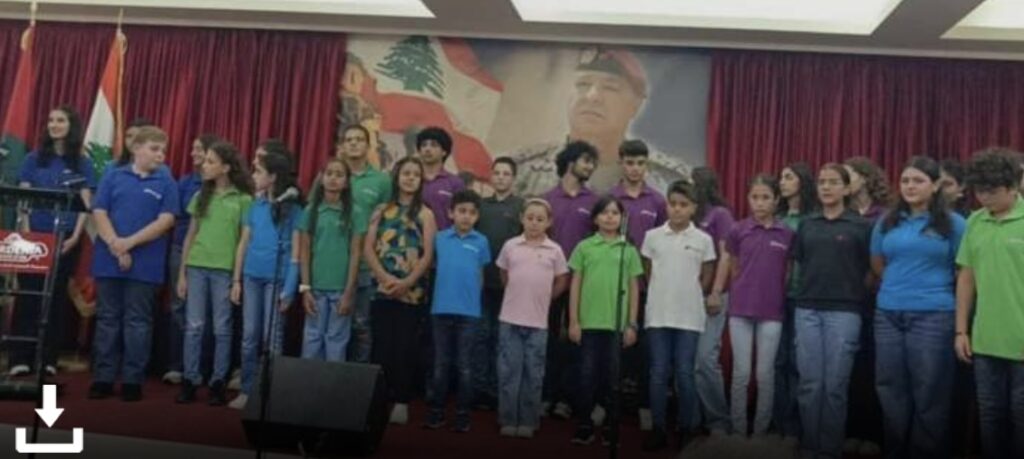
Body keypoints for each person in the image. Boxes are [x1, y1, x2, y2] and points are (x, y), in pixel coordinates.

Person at [870, 156, 965, 459]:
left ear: (935, 185)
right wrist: (899, 286)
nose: (910, 186)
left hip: (934, 315)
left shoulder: (954, 223)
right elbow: (877, 263)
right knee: (890, 388)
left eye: (918, 181)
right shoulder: (887, 221)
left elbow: (963, 270)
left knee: (930, 391)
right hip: (888, 312)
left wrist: (927, 288)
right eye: (905, 180)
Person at [512, 46, 690, 196]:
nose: (592, 96)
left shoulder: (668, 179)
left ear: (636, 105)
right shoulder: (524, 170)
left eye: (610, 87)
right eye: (582, 84)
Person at [88, 126, 178, 401]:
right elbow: (99, 211)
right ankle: (103, 378)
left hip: (145, 264)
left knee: (138, 322)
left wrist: (129, 243)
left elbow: (166, 220)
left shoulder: (166, 182)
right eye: (154, 149)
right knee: (108, 319)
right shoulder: (114, 175)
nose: (160, 155)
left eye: (163, 150)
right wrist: (115, 244)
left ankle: (132, 380)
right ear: (136, 149)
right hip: (109, 259)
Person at [792, 163, 873, 459]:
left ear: (847, 188)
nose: (826, 187)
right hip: (807, 310)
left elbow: (871, 269)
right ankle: (809, 446)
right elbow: (800, 263)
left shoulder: (862, 226)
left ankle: (829, 449)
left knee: (835, 386)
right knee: (810, 384)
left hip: (845, 312)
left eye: (833, 182)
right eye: (822, 182)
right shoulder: (807, 224)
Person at [9, 105, 94, 378]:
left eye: (60, 120)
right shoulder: (34, 159)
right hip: (33, 237)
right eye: (51, 120)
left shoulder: (81, 162)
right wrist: (26, 232)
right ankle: (19, 359)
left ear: (72, 126)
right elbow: (23, 198)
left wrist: (76, 236)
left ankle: (48, 359)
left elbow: (85, 204)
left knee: (56, 298)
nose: (54, 125)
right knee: (28, 296)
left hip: (65, 239)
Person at [955, 148, 1024, 459]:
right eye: (979, 191)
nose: (984, 198)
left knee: (1020, 417)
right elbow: (966, 278)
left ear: (1013, 186)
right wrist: (961, 331)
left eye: (992, 191)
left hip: (1020, 340)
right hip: (985, 340)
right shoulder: (974, 221)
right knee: (990, 415)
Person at [175, 141, 253, 406]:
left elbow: (243, 241)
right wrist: (182, 274)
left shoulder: (243, 200)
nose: (204, 165)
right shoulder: (201, 196)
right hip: (197, 266)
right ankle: (190, 379)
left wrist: (237, 278)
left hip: (224, 269)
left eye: (210, 161)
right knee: (194, 326)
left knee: (222, 327)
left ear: (226, 167)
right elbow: (190, 235)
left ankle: (218, 380)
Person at [640, 181, 716, 451]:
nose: (677, 209)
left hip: (689, 317)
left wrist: (689, 295)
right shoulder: (652, 237)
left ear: (694, 208)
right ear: (667, 205)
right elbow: (648, 271)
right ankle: (658, 429)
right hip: (658, 315)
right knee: (658, 372)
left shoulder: (703, 240)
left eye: (684, 205)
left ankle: (686, 428)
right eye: (673, 204)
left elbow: (706, 277)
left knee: (685, 373)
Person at [717, 175, 794, 437]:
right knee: (741, 373)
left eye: (765, 198)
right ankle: (738, 429)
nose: (759, 203)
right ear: (748, 199)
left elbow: (787, 271)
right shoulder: (738, 230)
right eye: (754, 197)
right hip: (740, 310)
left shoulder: (786, 233)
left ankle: (761, 431)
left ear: (776, 200)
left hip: (772, 312)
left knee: (765, 374)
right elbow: (734, 267)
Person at [226, 151, 303, 410]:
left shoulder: (293, 210)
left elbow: (296, 254)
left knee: (273, 338)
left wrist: (289, 289)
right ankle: (247, 389)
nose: (253, 175)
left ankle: (270, 393)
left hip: (276, 280)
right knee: (249, 335)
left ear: (273, 177)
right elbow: (243, 243)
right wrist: (236, 280)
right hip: (251, 277)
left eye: (258, 171)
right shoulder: (254, 205)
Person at [364, 156, 437, 425]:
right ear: (397, 177)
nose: (410, 178)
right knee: (382, 345)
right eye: (405, 173)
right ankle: (378, 399)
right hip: (382, 288)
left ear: (420, 181)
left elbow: (428, 255)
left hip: (411, 291)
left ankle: (402, 400)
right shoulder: (381, 210)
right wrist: (384, 277)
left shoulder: (426, 214)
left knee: (405, 347)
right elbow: (368, 247)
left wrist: (407, 282)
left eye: (415, 175)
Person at [567, 196, 643, 446]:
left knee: (613, 378)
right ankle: (584, 424)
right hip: (588, 324)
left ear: (622, 219)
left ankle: (611, 425)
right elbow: (575, 285)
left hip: (616, 326)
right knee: (586, 376)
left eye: (615, 213)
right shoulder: (584, 247)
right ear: (595, 218)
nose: (610, 217)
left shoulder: (627, 250)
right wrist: (574, 321)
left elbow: (634, 289)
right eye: (605, 212)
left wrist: (632, 324)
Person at [496, 198, 570, 438]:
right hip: (510, 320)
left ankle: (528, 421)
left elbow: (562, 279)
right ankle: (508, 419)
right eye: (530, 218)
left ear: (549, 222)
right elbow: (504, 273)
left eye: (540, 219)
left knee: (534, 373)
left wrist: (547, 297)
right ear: (522, 219)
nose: (534, 223)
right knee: (509, 371)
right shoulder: (510, 246)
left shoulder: (555, 250)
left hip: (538, 323)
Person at [609, 139, 667, 430]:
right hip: (612, 287)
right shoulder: (610, 198)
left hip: (646, 288)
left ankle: (644, 405)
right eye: (630, 163)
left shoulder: (658, 201)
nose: (635, 168)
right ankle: (606, 405)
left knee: (644, 351)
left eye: (640, 163)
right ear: (621, 163)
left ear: (647, 165)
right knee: (611, 350)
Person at [542, 141, 599, 419]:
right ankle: (546, 396)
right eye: (586, 160)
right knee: (548, 340)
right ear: (570, 162)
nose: (590, 167)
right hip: (549, 283)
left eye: (593, 163)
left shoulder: (595, 202)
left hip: (581, 284)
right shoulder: (546, 200)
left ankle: (567, 399)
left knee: (576, 341)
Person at [425, 190, 490, 433]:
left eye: (472, 212)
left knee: (465, 366)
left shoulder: (481, 241)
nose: (466, 216)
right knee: (441, 365)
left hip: (469, 314)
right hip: (441, 310)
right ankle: (436, 412)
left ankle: (463, 414)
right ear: (451, 213)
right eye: (461, 211)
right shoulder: (440, 238)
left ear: (477, 217)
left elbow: (480, 276)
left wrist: (473, 303)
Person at [162, 134, 219, 385]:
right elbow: (176, 214)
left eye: (199, 149)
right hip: (181, 248)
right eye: (193, 148)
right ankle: (177, 364)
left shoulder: (221, 186)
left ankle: (202, 367)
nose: (194, 153)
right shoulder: (185, 182)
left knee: (206, 312)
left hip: (211, 252)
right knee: (179, 305)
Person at [298, 158, 365, 362]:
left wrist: (348, 292)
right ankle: (309, 381)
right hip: (315, 288)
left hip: (340, 290)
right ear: (321, 178)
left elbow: (356, 254)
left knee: (336, 340)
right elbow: (304, 252)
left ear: (346, 182)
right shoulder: (311, 211)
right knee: (312, 339)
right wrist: (306, 289)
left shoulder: (355, 212)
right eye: (329, 174)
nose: (333, 179)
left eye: (339, 175)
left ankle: (331, 383)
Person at [843, 156, 888, 456]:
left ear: (866, 178)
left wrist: (870, 280)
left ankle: (873, 433)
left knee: (874, 366)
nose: (845, 182)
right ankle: (850, 430)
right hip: (845, 298)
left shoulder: (884, 214)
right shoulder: (841, 212)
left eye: (850, 175)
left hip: (875, 299)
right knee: (849, 367)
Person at [338, 124, 391, 364]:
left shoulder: (381, 181)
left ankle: (357, 379)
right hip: (333, 262)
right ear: (343, 145)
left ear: (368, 146)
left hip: (364, 265)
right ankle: (331, 375)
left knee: (360, 324)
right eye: (349, 139)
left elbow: (387, 222)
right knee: (335, 324)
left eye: (359, 139)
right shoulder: (332, 174)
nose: (353, 143)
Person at [772, 161, 818, 442]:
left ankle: (796, 424)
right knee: (777, 361)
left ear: (802, 181)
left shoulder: (813, 219)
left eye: (788, 177)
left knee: (799, 361)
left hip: (805, 297)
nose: (782, 181)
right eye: (781, 177)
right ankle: (777, 421)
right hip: (775, 297)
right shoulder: (776, 219)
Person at [475, 157, 524, 410]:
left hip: (510, 287)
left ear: (513, 178)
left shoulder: (521, 207)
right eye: (497, 173)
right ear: (491, 176)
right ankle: (480, 388)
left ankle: (499, 390)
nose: (501, 177)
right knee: (482, 336)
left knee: (504, 340)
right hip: (482, 284)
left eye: (506, 173)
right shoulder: (481, 207)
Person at [693, 166, 735, 435]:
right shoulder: (689, 214)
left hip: (712, 295)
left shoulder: (720, 214)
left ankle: (719, 421)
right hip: (688, 295)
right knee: (689, 362)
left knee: (705, 359)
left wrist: (716, 292)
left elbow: (726, 255)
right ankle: (695, 419)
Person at [416, 126, 465, 231]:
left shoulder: (455, 183)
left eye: (434, 145)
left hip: (443, 238)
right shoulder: (411, 179)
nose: (427, 149)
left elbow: (461, 217)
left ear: (444, 151)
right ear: (419, 151)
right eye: (424, 145)